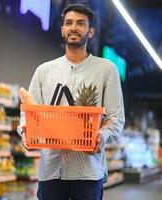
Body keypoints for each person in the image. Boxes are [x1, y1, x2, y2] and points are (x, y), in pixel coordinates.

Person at [17, 4, 125, 200]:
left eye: (81, 24)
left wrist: (101, 136)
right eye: (69, 23)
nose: (74, 27)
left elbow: (116, 117)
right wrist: (25, 132)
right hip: (51, 170)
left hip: (88, 172)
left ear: (90, 32)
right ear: (62, 30)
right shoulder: (44, 71)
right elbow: (28, 113)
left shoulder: (106, 70)